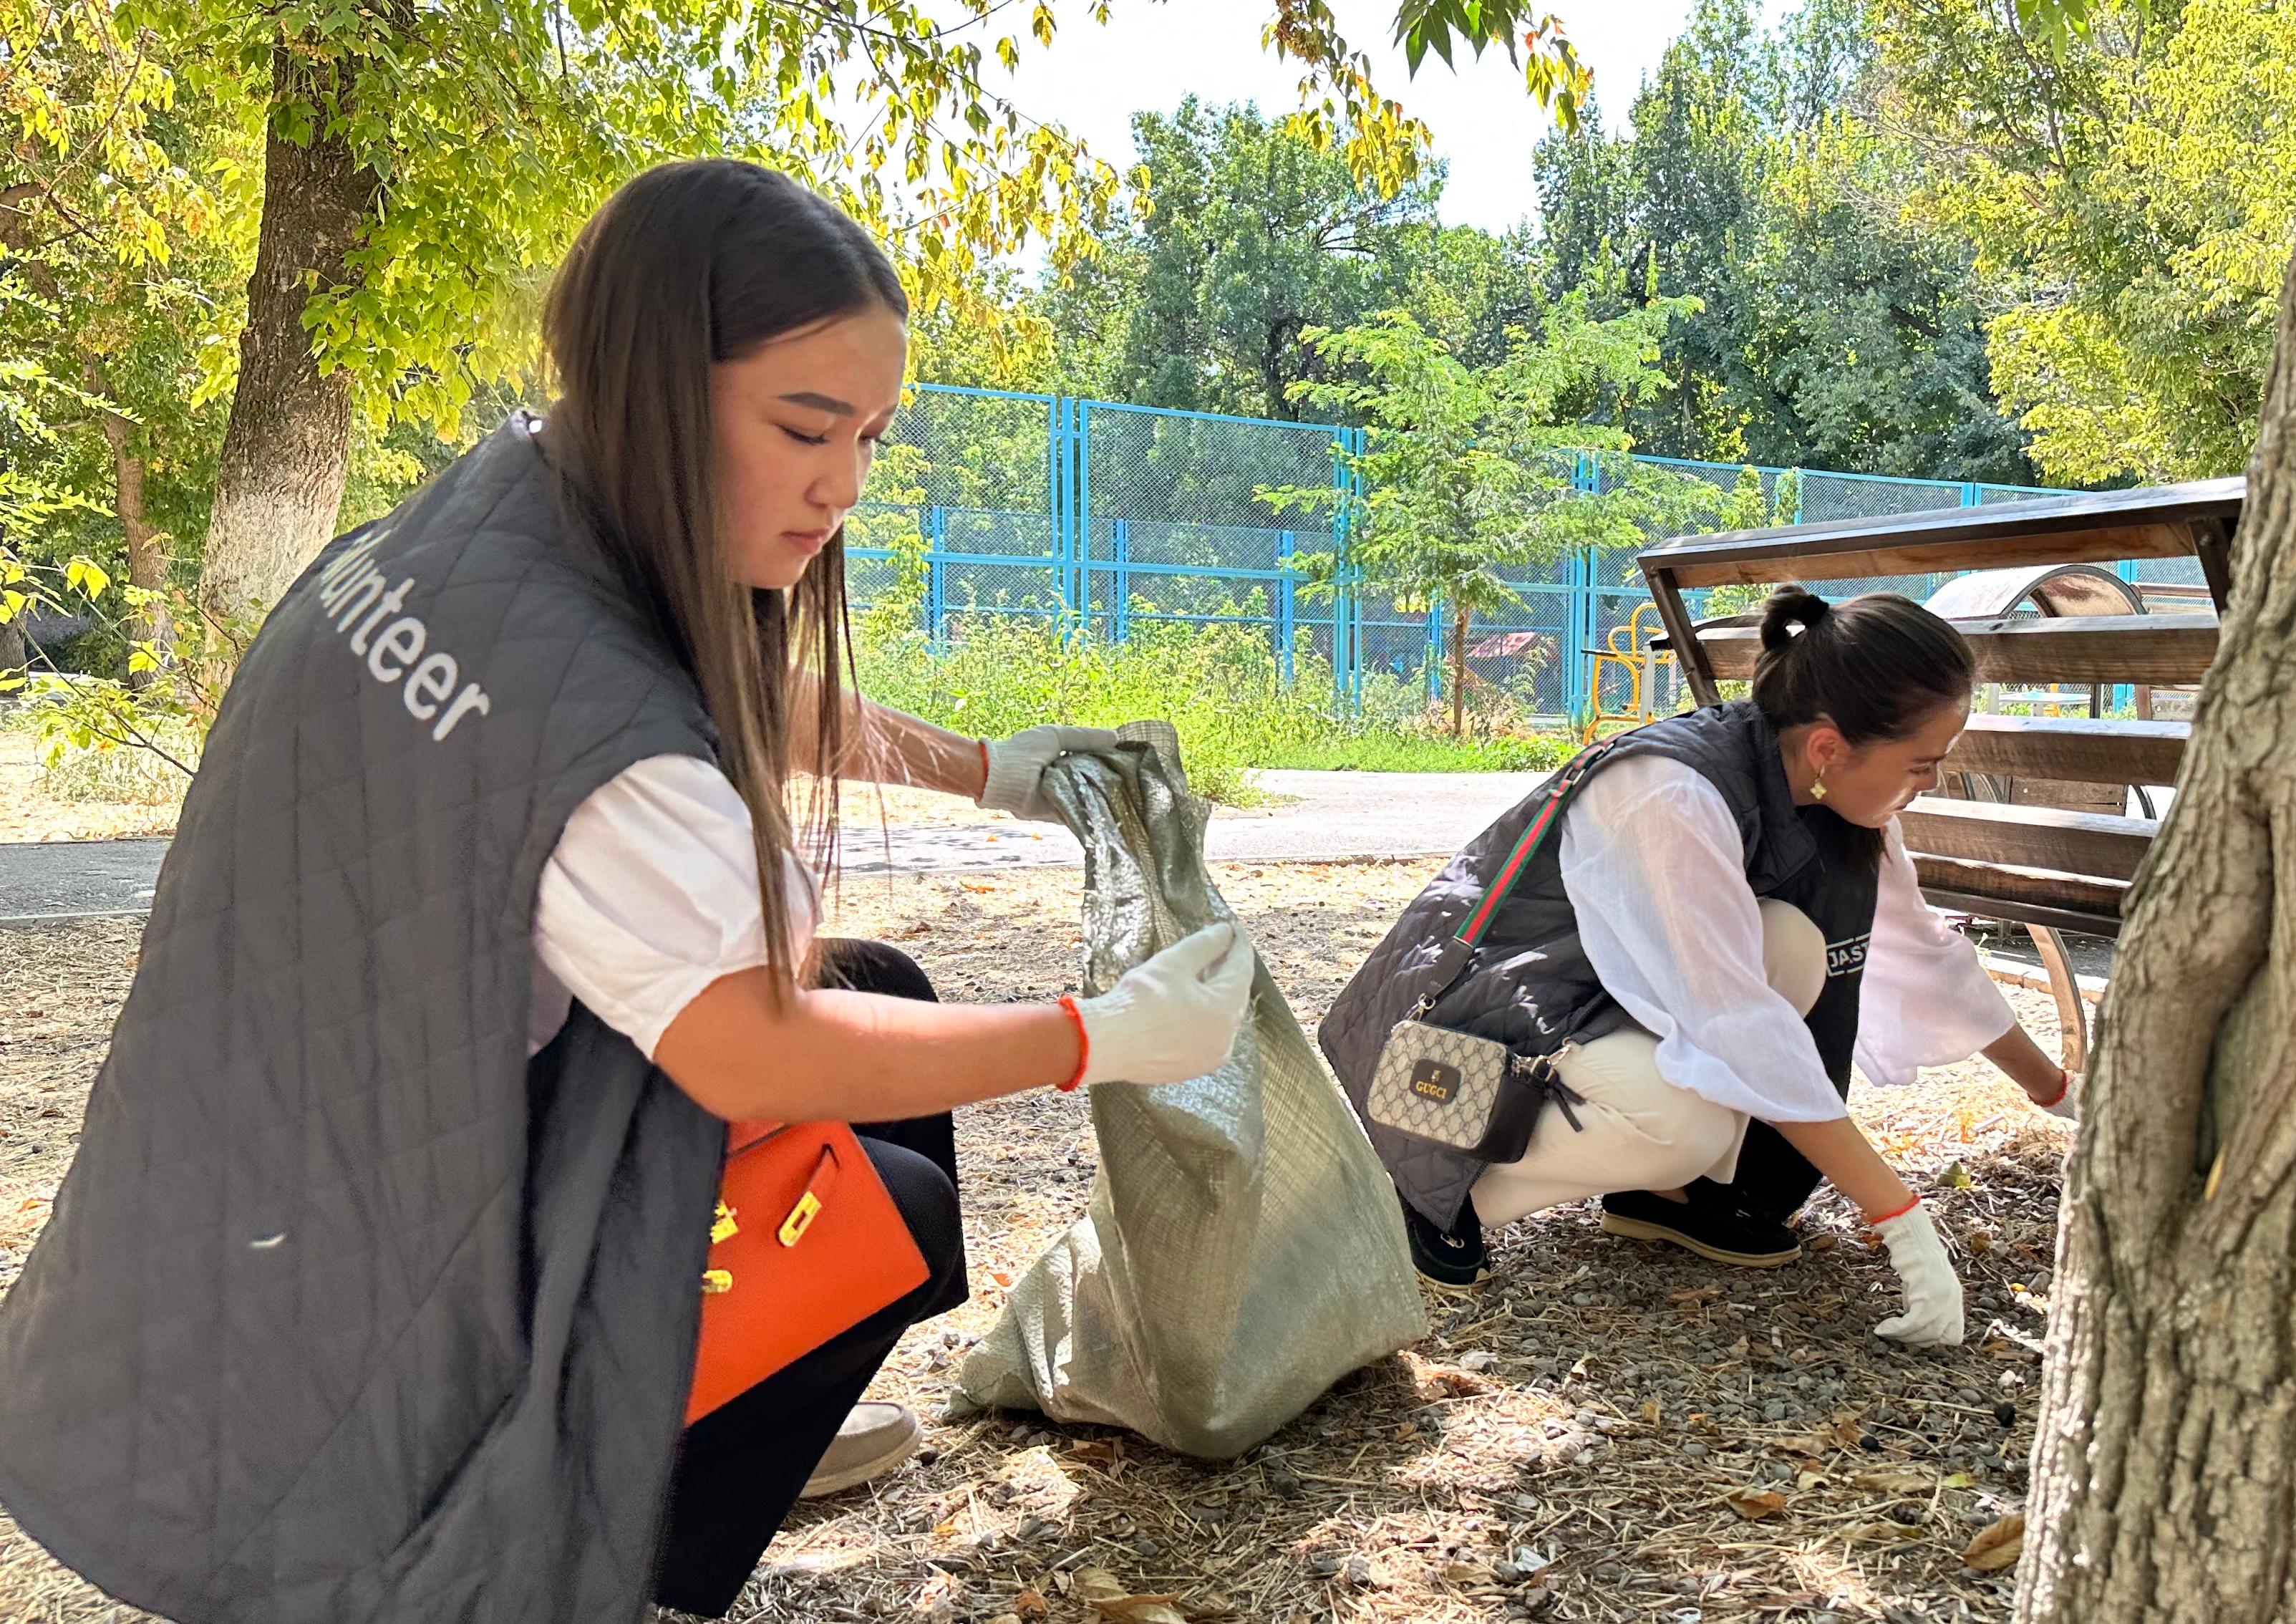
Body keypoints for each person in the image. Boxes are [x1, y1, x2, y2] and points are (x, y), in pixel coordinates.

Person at [0, 159, 1252, 1624]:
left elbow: (691, 681)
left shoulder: (500, 508)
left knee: (888, 1007)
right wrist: (1094, 1038)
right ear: (661, 381)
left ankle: (703, 1425)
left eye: (869, 437)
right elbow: (748, 1047)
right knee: (895, 1205)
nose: (840, 485)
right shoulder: (599, 752)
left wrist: (989, 768)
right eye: (803, 427)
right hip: (379, 1250)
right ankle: (628, 1526)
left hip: (297, 1136)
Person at [1320, 587, 2073, 1344]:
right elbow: (1736, 1025)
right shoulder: (1671, 792)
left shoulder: (1829, 799)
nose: (1931, 783)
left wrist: (2061, 1095)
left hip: (1578, 1014)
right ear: (1827, 747)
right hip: (1454, 1052)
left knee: (1790, 943)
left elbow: (1926, 956)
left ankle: (1667, 1197)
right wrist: (1902, 1220)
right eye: (1922, 764)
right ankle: (1432, 1191)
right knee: (1684, 1121)